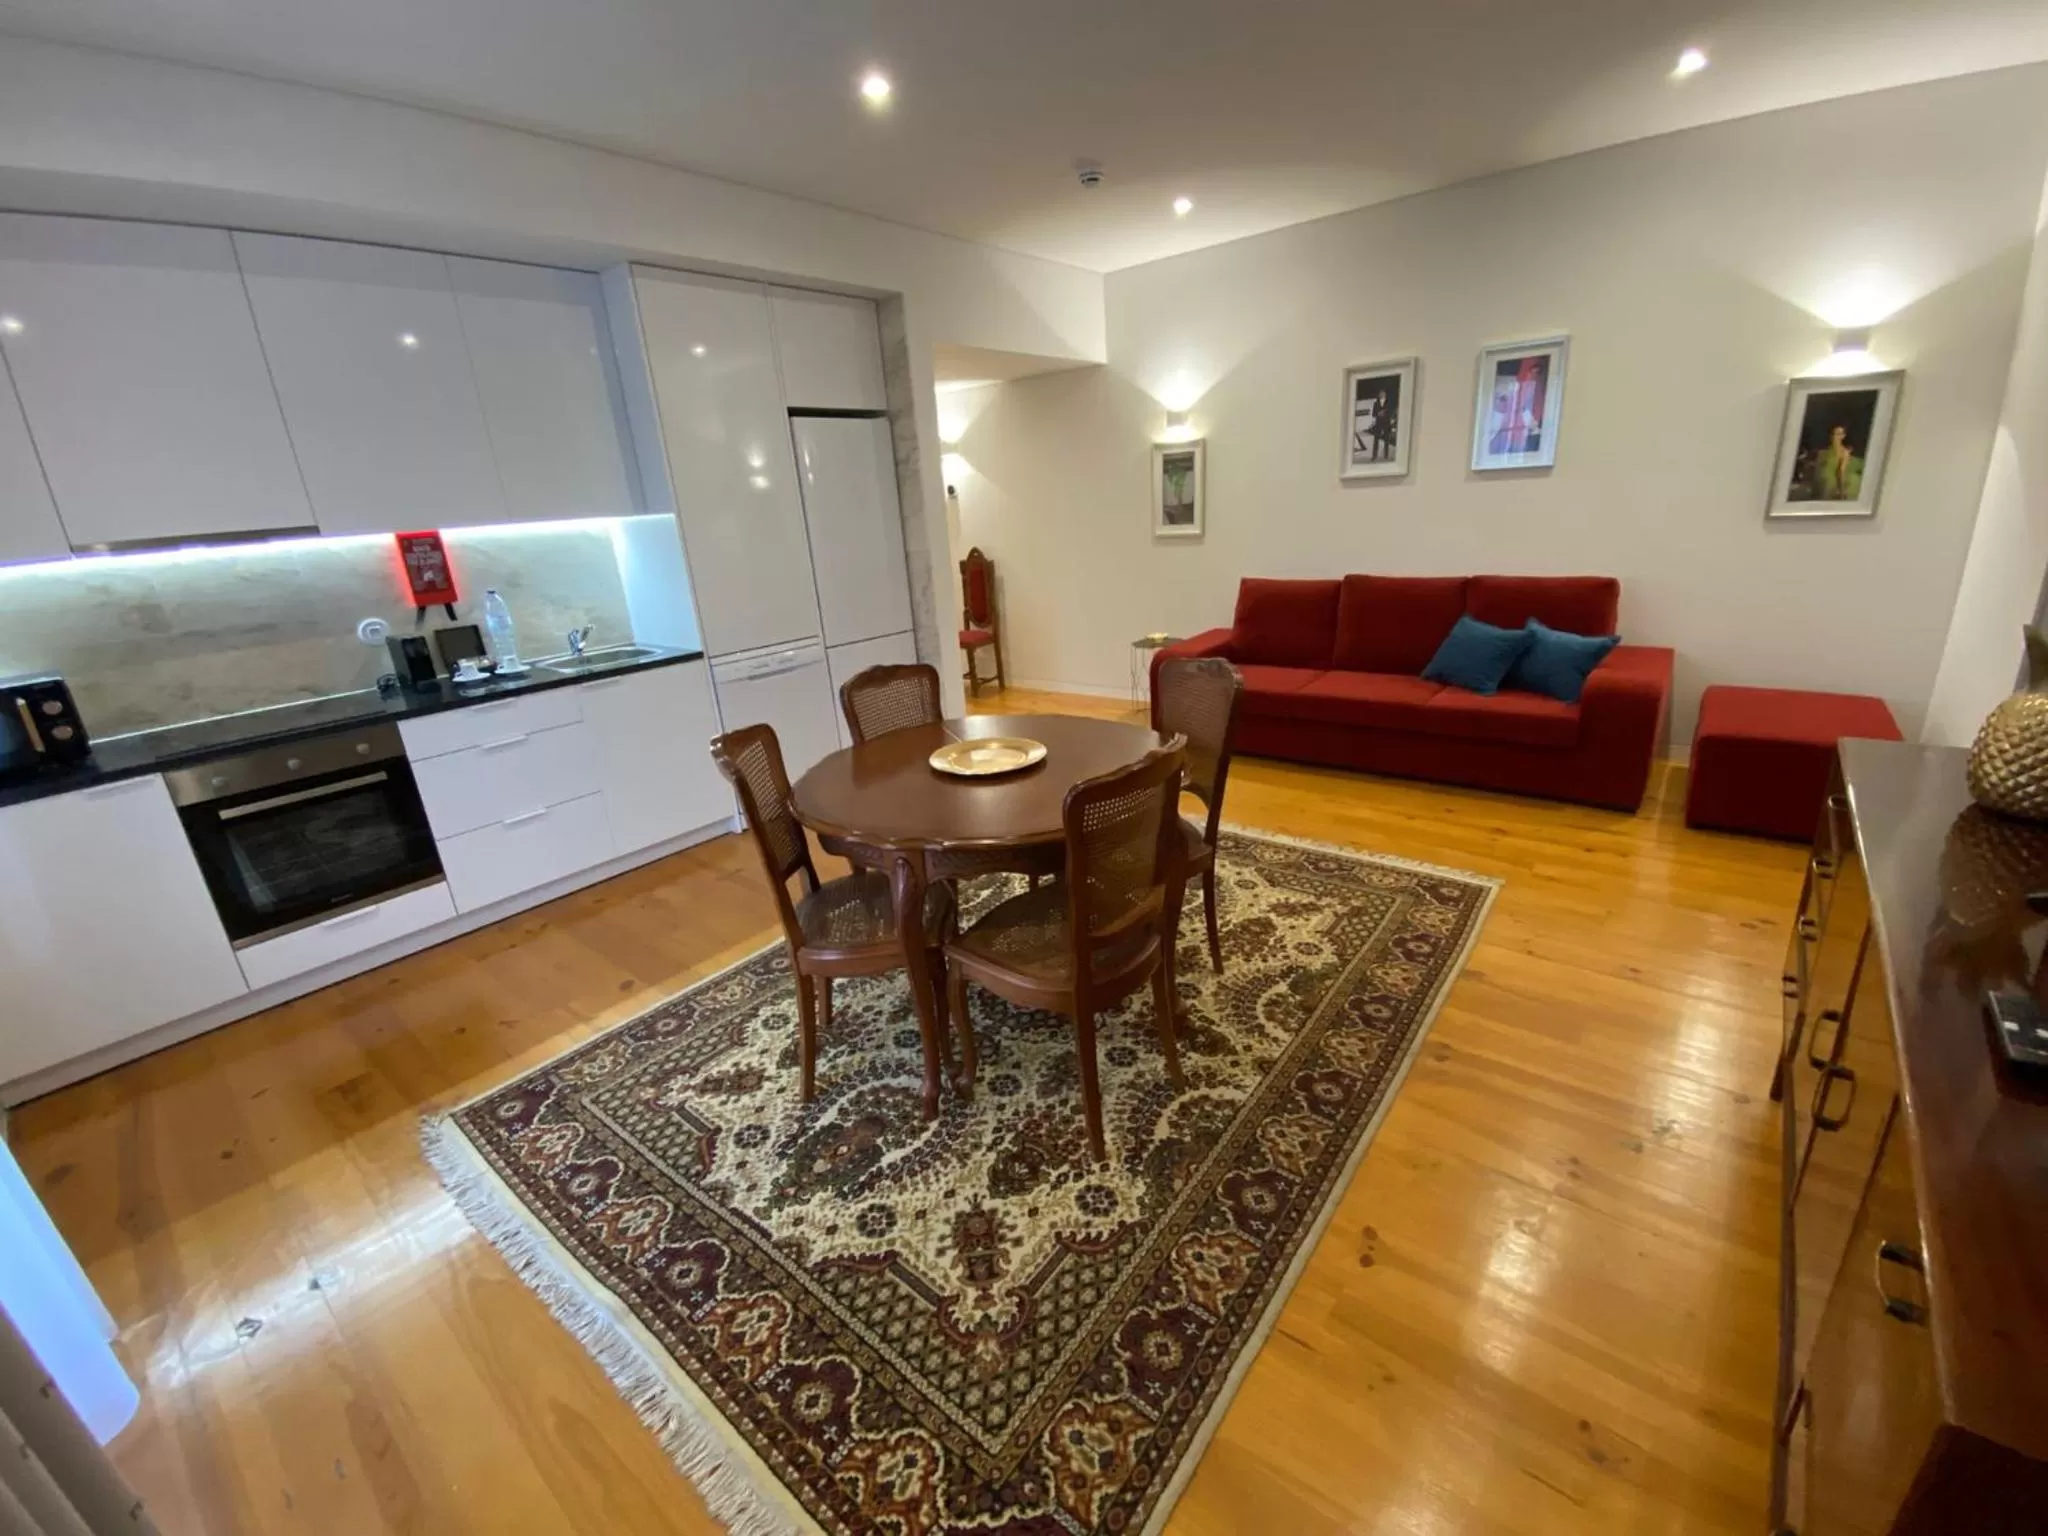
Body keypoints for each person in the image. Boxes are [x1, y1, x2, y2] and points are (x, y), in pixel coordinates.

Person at [1808, 423, 1863, 500]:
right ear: (1830, 435)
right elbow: (1817, 469)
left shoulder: (1844, 452)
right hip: (1820, 484)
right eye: (1834, 434)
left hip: (1832, 485)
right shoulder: (1823, 451)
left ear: (1843, 436)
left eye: (1839, 434)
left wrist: (1841, 491)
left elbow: (1841, 471)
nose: (1835, 436)